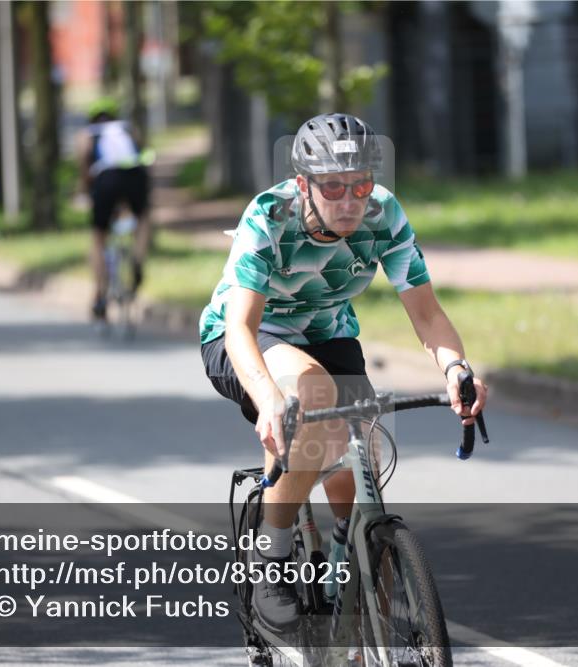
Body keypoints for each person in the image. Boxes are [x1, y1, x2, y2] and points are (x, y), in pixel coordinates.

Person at [199, 113, 488, 632]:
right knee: (308, 392)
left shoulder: (385, 215)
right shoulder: (269, 215)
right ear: (304, 184)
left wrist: (455, 366)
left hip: (329, 335)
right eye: (333, 187)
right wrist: (268, 398)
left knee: (362, 462)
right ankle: (272, 557)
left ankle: (354, 602)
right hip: (246, 337)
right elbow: (241, 327)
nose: (350, 201)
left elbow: (426, 313)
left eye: (360, 185)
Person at [75, 97, 152, 320]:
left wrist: (84, 190)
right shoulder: (127, 128)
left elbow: (84, 162)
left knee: (98, 238)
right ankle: (137, 259)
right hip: (135, 174)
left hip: (106, 177)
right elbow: (141, 151)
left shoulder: (88, 133)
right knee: (143, 219)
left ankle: (99, 293)